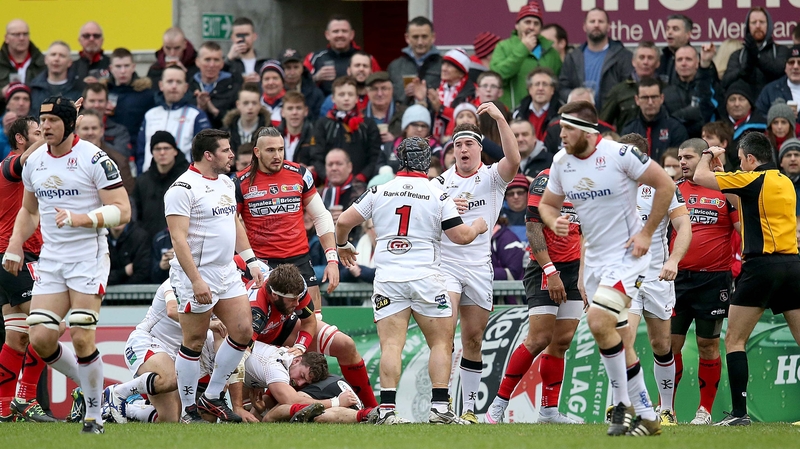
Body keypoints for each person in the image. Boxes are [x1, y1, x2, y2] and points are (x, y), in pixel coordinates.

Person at [537, 100, 676, 436]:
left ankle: (624, 407)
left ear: (587, 130)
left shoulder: (620, 154)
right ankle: (646, 413)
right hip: (596, 260)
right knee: (618, 337)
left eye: (568, 128)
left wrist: (645, 233)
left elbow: (666, 186)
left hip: (629, 258)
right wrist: (552, 219)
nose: (563, 135)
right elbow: (546, 204)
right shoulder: (560, 162)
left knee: (599, 322)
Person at [335, 136, 488, 424]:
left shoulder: (379, 190)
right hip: (426, 278)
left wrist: (343, 245)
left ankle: (389, 410)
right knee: (441, 343)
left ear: (399, 158)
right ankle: (440, 409)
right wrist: (478, 226)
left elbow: (343, 221)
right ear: (427, 160)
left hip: (389, 278)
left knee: (391, 345)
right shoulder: (437, 193)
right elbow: (461, 236)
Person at [3, 96, 131, 434]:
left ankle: (94, 415)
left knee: (81, 335)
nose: (45, 127)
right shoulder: (34, 163)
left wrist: (82, 218)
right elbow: (29, 211)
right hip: (52, 261)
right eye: (42, 121)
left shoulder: (94, 158)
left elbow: (122, 209)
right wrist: (15, 244)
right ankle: (97, 392)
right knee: (41, 338)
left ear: (69, 125)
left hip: (88, 258)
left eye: (52, 122)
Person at [692, 132, 800, 426]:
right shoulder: (785, 182)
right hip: (792, 266)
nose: (739, 166)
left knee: (734, 339)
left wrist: (707, 154)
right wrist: (722, 171)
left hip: (760, 267)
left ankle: (739, 414)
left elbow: (700, 177)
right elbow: (738, 196)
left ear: (751, 159)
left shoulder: (752, 180)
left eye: (741, 161)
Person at [164, 129, 264, 424]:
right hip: (195, 275)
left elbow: (234, 222)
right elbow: (178, 240)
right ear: (208, 155)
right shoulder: (182, 188)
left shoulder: (224, 182)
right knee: (194, 342)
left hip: (226, 271)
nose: (232, 155)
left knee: (243, 331)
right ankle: (188, 410)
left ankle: (212, 396)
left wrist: (251, 261)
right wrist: (196, 281)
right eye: (226, 150)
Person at [429, 103, 520, 422]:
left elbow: (515, 160)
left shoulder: (492, 177)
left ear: (480, 149)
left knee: (473, 339)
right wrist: (444, 207)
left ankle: (468, 409)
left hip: (480, 267)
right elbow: (424, 222)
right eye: (458, 145)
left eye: (469, 144)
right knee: (445, 334)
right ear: (451, 152)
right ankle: (440, 403)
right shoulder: (439, 185)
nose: (463, 149)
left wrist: (498, 118)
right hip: (447, 267)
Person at [485, 166, 583, 424]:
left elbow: (588, 231)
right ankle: (498, 404)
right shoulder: (545, 179)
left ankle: (549, 412)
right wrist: (551, 272)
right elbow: (533, 228)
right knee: (538, 338)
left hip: (577, 269)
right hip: (545, 266)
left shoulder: (591, 181)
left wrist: (584, 275)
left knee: (562, 342)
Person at [619, 133, 691, 427]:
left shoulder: (663, 185)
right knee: (624, 338)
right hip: (624, 276)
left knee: (662, 344)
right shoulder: (611, 186)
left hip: (658, 275)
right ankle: (632, 407)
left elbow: (683, 225)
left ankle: (666, 409)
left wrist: (674, 260)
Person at [234, 127, 338, 325]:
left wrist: (332, 260)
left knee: (313, 324)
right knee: (263, 326)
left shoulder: (299, 173)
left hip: (299, 260)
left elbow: (322, 216)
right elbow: (230, 224)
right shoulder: (240, 182)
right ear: (257, 152)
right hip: (262, 264)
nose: (277, 156)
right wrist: (248, 262)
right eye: (270, 150)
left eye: (281, 149)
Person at [243, 262, 376, 408]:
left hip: (283, 328)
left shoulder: (296, 286)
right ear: (274, 295)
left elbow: (309, 321)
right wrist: (252, 380)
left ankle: (373, 410)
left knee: (345, 344)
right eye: (293, 300)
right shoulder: (254, 309)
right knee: (251, 408)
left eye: (299, 298)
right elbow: (236, 356)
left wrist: (301, 345)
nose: (298, 303)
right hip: (253, 343)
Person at [672, 138, 739, 425]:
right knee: (668, 345)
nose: (683, 162)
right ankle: (667, 410)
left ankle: (705, 412)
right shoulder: (672, 191)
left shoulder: (726, 189)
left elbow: (742, 228)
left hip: (714, 280)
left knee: (708, 345)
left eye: (688, 157)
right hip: (676, 279)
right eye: (679, 157)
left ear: (704, 159)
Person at [0, 116, 54, 423]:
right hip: (14, 255)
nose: (45, 134)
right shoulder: (10, 167)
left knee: (17, 337)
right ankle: (25, 398)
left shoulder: (33, 172)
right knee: (47, 325)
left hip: (16, 257)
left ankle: (4, 407)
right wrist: (58, 128)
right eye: (38, 132)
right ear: (22, 140)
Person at [107, 279, 221, 423]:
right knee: (172, 378)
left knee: (170, 419)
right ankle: (117, 392)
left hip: (176, 354)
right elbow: (172, 310)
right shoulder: (174, 281)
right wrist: (208, 324)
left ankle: (130, 407)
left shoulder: (215, 290)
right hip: (146, 341)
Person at [136, 65, 211, 173]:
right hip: (151, 180)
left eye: (178, 82)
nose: (174, 86)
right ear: (161, 85)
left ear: (186, 87)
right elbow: (141, 151)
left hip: (183, 180)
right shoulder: (150, 114)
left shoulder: (196, 115)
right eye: (170, 81)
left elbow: (203, 152)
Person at [490, 1, 562, 109]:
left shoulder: (551, 52)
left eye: (536, 23)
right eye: (527, 22)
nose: (531, 27)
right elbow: (497, 75)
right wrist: (523, 49)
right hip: (512, 113)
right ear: (517, 25)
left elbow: (559, 84)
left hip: (545, 115)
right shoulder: (503, 47)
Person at [309, 76, 381, 182]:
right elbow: (316, 156)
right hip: (330, 182)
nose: (346, 98)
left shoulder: (368, 124)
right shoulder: (322, 124)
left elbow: (375, 156)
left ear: (357, 98)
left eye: (350, 94)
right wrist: (327, 177)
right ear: (333, 98)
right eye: (341, 94)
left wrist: (362, 177)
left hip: (361, 182)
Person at [558, 8, 632, 110]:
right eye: (592, 21)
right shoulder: (572, 57)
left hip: (613, 119)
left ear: (608, 26)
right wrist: (574, 97)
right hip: (580, 116)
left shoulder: (623, 56)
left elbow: (628, 89)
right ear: (584, 26)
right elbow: (562, 88)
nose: (596, 25)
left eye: (601, 21)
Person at [131, 131, 188, 243]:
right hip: (148, 243)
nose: (162, 152)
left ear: (175, 151)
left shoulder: (186, 178)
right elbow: (136, 214)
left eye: (166, 148)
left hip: (180, 242)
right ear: (152, 152)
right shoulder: (143, 181)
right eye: (157, 149)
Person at [304, 16, 380, 96]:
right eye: (335, 31)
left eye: (344, 31)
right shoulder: (314, 58)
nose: (340, 35)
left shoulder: (366, 59)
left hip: (359, 106)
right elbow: (299, 87)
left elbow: (379, 86)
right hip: (324, 106)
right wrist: (316, 78)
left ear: (351, 34)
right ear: (327, 35)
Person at [722, 6, 789, 92]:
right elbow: (725, 82)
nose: (758, 26)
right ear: (748, 26)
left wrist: (757, 56)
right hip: (745, 104)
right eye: (753, 22)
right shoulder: (738, 55)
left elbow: (780, 72)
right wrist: (745, 69)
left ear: (769, 25)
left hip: (773, 103)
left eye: (762, 22)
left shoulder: (780, 50)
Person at [621, 77, 688, 163]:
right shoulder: (629, 130)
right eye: (645, 98)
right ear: (637, 100)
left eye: (654, 97)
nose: (650, 102)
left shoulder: (676, 129)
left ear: (662, 98)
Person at [663, 45, 724, 138]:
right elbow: (666, 123)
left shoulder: (709, 87)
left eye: (688, 59)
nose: (683, 63)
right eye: (679, 60)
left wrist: (679, 116)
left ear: (697, 63)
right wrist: (689, 113)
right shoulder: (666, 92)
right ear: (675, 65)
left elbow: (708, 112)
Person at [600, 41, 661, 132]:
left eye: (650, 58)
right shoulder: (618, 91)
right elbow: (603, 124)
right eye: (641, 57)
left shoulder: (665, 89)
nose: (645, 62)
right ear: (633, 62)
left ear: (658, 63)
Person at [74, 108, 134, 194]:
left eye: (94, 128)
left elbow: (127, 193)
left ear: (102, 131)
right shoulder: (66, 157)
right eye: (85, 129)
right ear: (77, 131)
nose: (90, 132)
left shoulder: (118, 160)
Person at [107, 47, 156, 150]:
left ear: (133, 67)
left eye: (126, 66)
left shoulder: (145, 94)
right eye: (118, 66)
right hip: (107, 147)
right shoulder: (103, 92)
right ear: (111, 68)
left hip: (135, 147)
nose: (123, 71)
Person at [387, 16, 442, 105]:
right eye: (415, 37)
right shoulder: (395, 67)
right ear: (407, 38)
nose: (420, 42)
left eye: (424, 37)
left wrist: (425, 97)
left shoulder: (443, 66)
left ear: (433, 37)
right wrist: (406, 95)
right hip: (402, 117)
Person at [545, 87, 615, 154]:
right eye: (574, 107)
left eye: (584, 107)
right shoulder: (553, 130)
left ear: (593, 108)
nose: (579, 111)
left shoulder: (607, 130)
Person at [189, 42, 240, 129]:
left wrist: (213, 110)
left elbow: (236, 121)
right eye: (207, 59)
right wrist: (199, 107)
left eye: (216, 60)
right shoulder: (189, 86)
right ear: (197, 62)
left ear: (222, 63)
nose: (212, 65)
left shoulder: (233, 86)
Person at [29, 41, 85, 114]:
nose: (56, 59)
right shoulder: (33, 88)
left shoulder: (79, 89)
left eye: (62, 55)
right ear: (46, 59)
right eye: (53, 54)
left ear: (70, 62)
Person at [82, 83, 131, 159]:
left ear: (107, 102)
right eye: (92, 101)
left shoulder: (120, 131)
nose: (96, 105)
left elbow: (122, 156)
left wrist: (98, 142)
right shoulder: (72, 129)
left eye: (100, 101)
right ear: (84, 103)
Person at [512, 67, 561, 142]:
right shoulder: (516, 114)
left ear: (552, 90)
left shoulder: (561, 114)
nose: (540, 88)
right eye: (537, 84)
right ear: (530, 89)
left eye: (545, 84)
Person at [222, 82, 268, 154]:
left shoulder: (269, 132)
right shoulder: (226, 131)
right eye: (246, 103)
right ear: (238, 104)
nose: (250, 107)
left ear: (260, 105)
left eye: (254, 103)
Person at [755, 44, 800, 119]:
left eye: (799, 63)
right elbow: (757, 117)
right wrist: (778, 116)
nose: (795, 67)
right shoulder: (770, 90)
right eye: (791, 62)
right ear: (785, 67)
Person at [0, 19, 45, 91]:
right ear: (6, 38)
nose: (22, 38)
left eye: (25, 34)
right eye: (17, 34)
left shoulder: (44, 63)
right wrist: (2, 93)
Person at [280, 48, 324, 122]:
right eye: (288, 68)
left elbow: (319, 122)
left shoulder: (315, 93)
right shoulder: (272, 91)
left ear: (302, 68)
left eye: (296, 67)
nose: (292, 72)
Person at [277, 91, 315, 165]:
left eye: (299, 108)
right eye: (290, 108)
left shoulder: (315, 135)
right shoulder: (273, 137)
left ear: (306, 111)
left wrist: (311, 170)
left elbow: (318, 160)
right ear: (282, 112)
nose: (294, 112)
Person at [225, 17, 266, 84]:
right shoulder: (228, 64)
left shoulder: (265, 62)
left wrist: (261, 80)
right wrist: (229, 59)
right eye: (238, 35)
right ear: (232, 38)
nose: (242, 39)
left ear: (254, 36)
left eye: (246, 35)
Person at [658, 15, 693, 84]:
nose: (669, 32)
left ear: (688, 34)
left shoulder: (697, 61)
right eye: (667, 29)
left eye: (675, 29)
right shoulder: (661, 60)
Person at [1, 82, 31, 159]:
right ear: (7, 104)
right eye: (16, 98)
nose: (21, 103)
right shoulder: (1, 128)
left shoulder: (38, 127)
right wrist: (5, 134)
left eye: (26, 99)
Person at [259, 60, 286, 126]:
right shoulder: (256, 105)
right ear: (261, 83)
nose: (270, 82)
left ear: (283, 82)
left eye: (275, 78)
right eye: (266, 79)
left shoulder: (292, 105)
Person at [779, 139, 800, 216]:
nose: (793, 159)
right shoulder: (773, 185)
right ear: (781, 162)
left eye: (797, 155)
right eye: (788, 155)